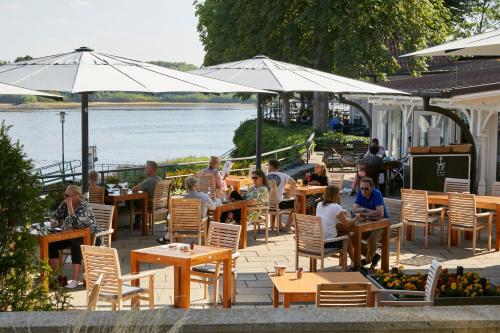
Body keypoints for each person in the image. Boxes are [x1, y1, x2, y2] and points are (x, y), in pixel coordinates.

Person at [49, 185, 101, 288]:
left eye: (67, 195)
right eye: (65, 195)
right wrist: (54, 221)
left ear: (76, 196)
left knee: (76, 245)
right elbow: (55, 215)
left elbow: (76, 223)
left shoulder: (84, 206)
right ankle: (56, 277)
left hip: (91, 236)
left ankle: (75, 280)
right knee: (52, 244)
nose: (65, 197)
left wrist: (70, 207)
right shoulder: (65, 203)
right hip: (72, 235)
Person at [156, 176, 215, 244]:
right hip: (198, 225)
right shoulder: (205, 196)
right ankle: (167, 238)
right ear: (196, 185)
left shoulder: (183, 200)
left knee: (172, 218)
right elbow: (213, 208)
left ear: (187, 187)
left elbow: (178, 215)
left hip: (182, 226)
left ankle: (169, 239)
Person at [316, 185, 360, 264]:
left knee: (343, 233)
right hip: (327, 243)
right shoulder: (336, 207)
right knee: (347, 237)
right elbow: (347, 224)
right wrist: (356, 217)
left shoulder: (319, 204)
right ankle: (356, 262)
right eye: (339, 194)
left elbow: (329, 217)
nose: (340, 195)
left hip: (317, 241)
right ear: (336, 195)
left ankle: (350, 262)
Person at [352, 177, 388, 269]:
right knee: (352, 237)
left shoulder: (377, 194)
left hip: (381, 224)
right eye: (361, 188)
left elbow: (380, 214)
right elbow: (354, 209)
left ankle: (366, 261)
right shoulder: (361, 193)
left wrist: (362, 212)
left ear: (372, 188)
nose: (363, 191)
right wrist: (366, 209)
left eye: (366, 188)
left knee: (371, 240)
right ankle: (374, 256)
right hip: (367, 223)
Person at [132, 161, 162, 227]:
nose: (145, 169)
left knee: (130, 200)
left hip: (148, 204)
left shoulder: (149, 180)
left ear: (151, 169)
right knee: (139, 199)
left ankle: (136, 223)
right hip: (158, 204)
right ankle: (137, 223)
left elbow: (134, 189)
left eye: (146, 167)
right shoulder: (159, 179)